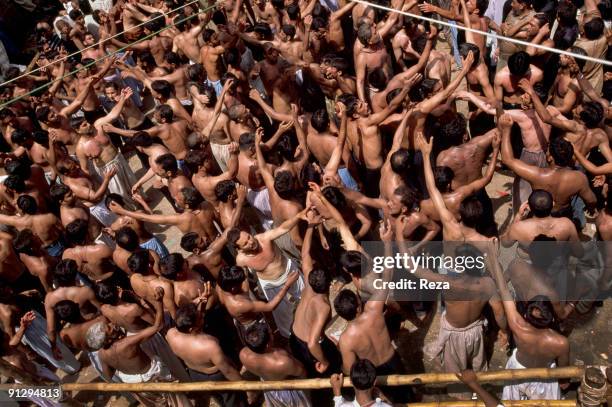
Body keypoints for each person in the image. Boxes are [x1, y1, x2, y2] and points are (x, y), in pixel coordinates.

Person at [240, 322, 312, 406]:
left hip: (269, 387)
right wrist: (307, 392)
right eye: (271, 333)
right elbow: (302, 372)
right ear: (267, 345)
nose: (273, 333)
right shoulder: (282, 361)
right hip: (288, 390)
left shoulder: (243, 354)